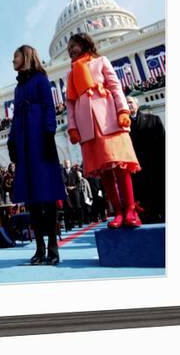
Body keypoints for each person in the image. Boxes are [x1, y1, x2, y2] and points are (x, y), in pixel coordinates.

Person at [65, 33, 141, 229]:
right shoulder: (71, 73)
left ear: (84, 44)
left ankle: (131, 210)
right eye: (69, 48)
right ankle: (117, 211)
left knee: (121, 167)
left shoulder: (100, 61)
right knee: (104, 171)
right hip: (87, 125)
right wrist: (72, 126)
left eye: (74, 45)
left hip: (108, 118)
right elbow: (70, 104)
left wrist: (123, 110)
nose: (71, 50)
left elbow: (115, 86)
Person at [7, 45, 66, 265]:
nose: (13, 59)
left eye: (16, 55)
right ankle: (39, 247)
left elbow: (50, 107)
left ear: (27, 57)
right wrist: (11, 140)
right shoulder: (18, 87)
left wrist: (49, 132)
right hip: (23, 141)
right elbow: (14, 117)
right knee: (31, 198)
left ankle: (53, 248)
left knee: (47, 196)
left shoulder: (41, 79)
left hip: (40, 139)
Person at [126, 95, 166, 223]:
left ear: (137, 104)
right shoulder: (122, 127)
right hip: (137, 171)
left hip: (156, 167)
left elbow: (163, 144)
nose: (129, 105)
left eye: (131, 102)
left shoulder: (153, 120)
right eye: (126, 103)